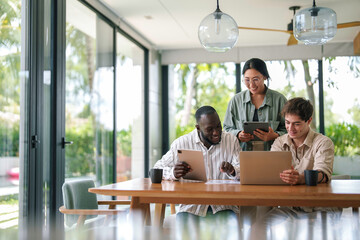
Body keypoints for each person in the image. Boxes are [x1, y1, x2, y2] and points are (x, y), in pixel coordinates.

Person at [248, 97, 340, 240]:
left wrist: (302, 178)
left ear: (308, 121)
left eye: (297, 124)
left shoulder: (323, 143)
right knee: (257, 228)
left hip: (320, 207)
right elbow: (272, 173)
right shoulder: (280, 142)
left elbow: (323, 174)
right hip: (290, 209)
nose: (290, 129)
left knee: (307, 232)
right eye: (287, 123)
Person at [154, 106, 241, 217]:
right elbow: (157, 168)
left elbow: (244, 171)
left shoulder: (231, 140)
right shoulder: (182, 143)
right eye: (210, 129)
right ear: (198, 128)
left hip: (224, 206)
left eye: (218, 126)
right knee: (185, 234)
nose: (216, 132)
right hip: (190, 208)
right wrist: (173, 173)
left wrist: (233, 171)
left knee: (232, 233)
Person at [223, 58, 287, 151]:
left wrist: (275, 135)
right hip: (242, 155)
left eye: (255, 79)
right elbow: (226, 129)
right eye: (247, 80)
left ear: (265, 77)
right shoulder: (235, 101)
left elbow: (289, 129)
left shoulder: (280, 100)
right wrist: (238, 134)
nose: (251, 85)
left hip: (272, 155)